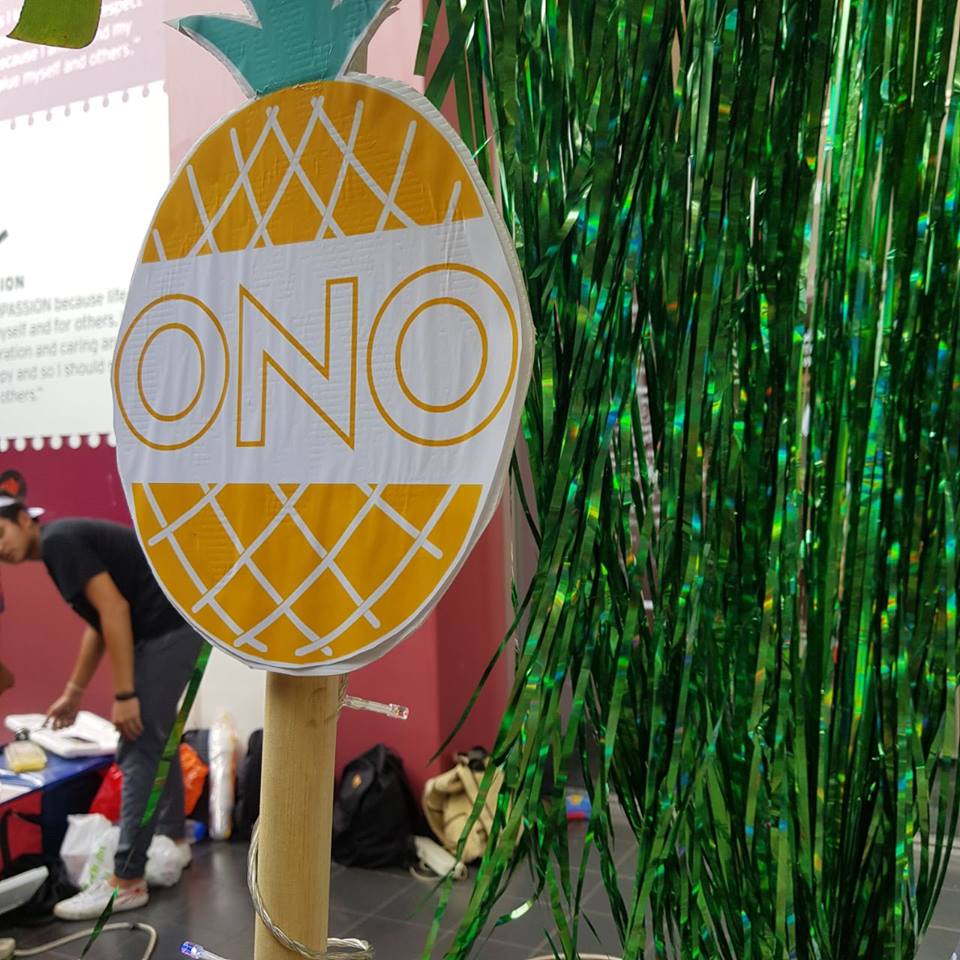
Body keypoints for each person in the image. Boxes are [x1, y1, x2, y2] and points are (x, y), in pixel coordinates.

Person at [0, 495, 205, 920]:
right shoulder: (60, 544)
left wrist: (125, 695)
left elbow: (115, 609)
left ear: (23, 519)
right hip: (174, 628)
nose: (1, 547)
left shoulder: (59, 542)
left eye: (1, 533)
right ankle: (175, 841)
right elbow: (100, 622)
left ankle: (126, 882)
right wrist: (74, 692)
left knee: (138, 745)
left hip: (167, 631)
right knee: (156, 738)